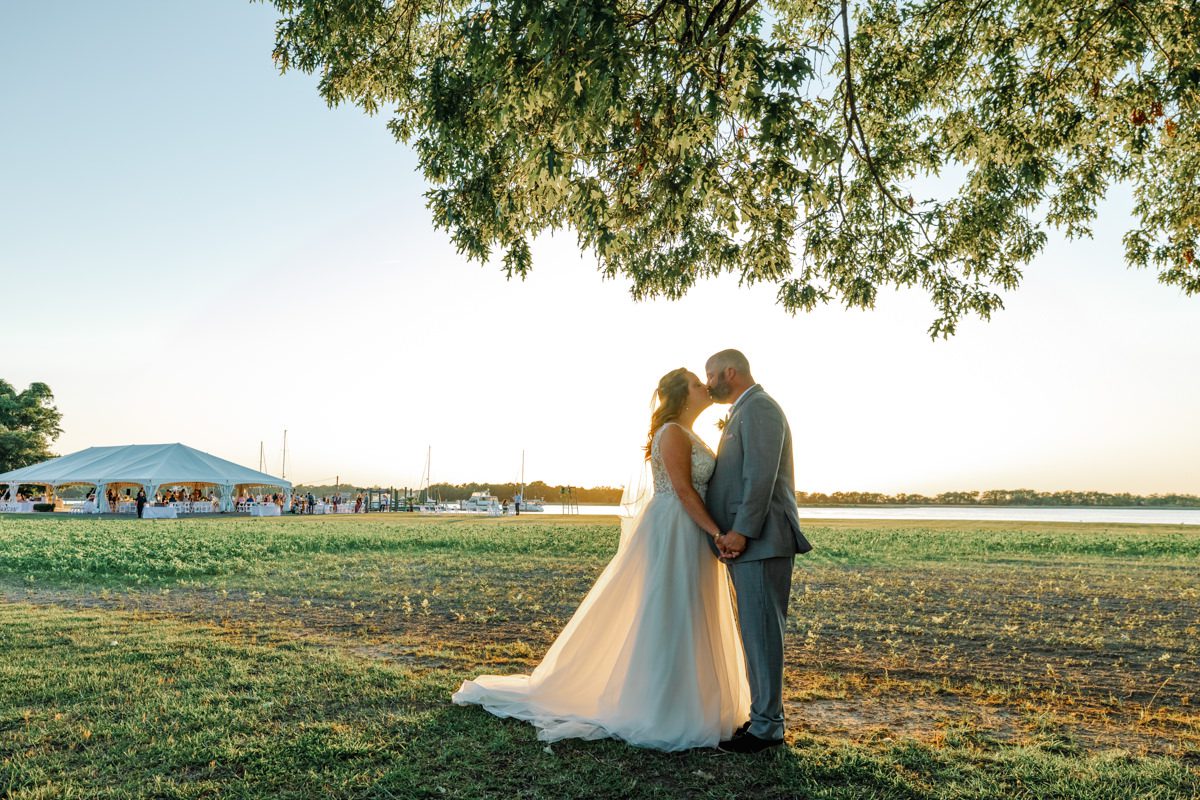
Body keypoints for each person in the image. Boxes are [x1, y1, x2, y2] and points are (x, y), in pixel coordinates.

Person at [453, 368, 750, 751]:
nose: (704, 387)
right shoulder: (673, 432)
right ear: (681, 395)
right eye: (696, 383)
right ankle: (663, 707)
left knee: (691, 610)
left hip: (689, 528)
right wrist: (716, 533)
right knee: (670, 610)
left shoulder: (691, 433)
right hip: (677, 527)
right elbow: (682, 490)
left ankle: (698, 702)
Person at [704, 349, 812, 754]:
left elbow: (760, 476)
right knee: (755, 632)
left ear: (730, 372)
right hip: (749, 542)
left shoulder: (761, 408)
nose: (709, 382)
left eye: (711, 375)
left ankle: (768, 728)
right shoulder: (742, 410)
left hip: (761, 539)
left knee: (763, 633)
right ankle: (764, 716)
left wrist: (742, 532)